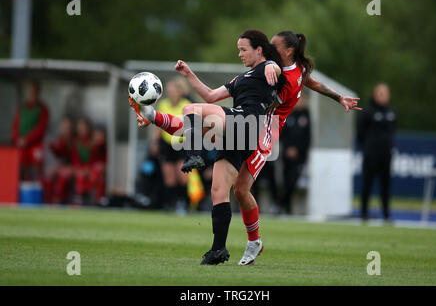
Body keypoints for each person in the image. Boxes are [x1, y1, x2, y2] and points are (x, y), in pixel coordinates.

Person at [130, 30, 362, 265]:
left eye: (274, 46)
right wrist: (189, 74)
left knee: (195, 119)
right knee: (229, 188)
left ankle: (189, 150)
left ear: (288, 50)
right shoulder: (255, 73)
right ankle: (227, 246)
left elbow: (303, 79)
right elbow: (212, 95)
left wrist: (337, 96)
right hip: (242, 125)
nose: (270, 49)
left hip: (262, 133)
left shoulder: (278, 69)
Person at [130, 29, 285, 265]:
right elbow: (212, 96)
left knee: (190, 110)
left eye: (243, 49)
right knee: (218, 191)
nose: (239, 54)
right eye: (238, 50)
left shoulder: (267, 67)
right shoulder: (242, 78)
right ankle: (218, 250)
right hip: (239, 134)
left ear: (259, 50)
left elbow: (275, 68)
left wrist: (274, 65)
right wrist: (189, 74)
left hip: (247, 123)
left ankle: (194, 155)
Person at [150, 77, 191, 212]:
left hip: (181, 143)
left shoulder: (186, 104)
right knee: (169, 178)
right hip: (166, 144)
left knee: (182, 176)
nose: (171, 92)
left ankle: (183, 204)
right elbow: (159, 126)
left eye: (173, 90)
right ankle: (169, 204)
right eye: (169, 90)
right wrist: (155, 142)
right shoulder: (163, 104)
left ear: (180, 91)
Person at [357, 83, 396, 221]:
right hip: (371, 155)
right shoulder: (368, 112)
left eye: (385, 93)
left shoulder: (391, 112)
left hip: (386, 154)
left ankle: (386, 214)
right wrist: (367, 148)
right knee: (367, 183)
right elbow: (360, 133)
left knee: (386, 185)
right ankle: (364, 213)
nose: (383, 96)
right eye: (380, 93)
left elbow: (393, 131)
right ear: (375, 94)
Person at [11, 81, 49, 181]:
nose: (32, 93)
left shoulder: (42, 109)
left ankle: (36, 190)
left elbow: (41, 128)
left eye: (34, 91)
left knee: (36, 169)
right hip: (21, 144)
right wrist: (17, 139)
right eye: (30, 91)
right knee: (20, 167)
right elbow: (15, 124)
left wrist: (27, 139)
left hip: (35, 145)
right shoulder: (22, 107)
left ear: (38, 92)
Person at [279, 96, 311, 214]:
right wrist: (288, 148)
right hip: (287, 155)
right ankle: (286, 208)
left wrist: (298, 150)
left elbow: (307, 137)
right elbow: (282, 134)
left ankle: (283, 204)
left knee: (293, 181)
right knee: (286, 181)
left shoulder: (306, 116)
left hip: (299, 156)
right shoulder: (288, 114)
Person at [42, 117, 74, 204]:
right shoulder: (61, 139)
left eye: (67, 127)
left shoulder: (74, 140)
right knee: (48, 175)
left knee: (62, 176)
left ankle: (60, 202)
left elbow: (74, 158)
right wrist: (52, 147)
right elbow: (60, 155)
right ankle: (48, 201)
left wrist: (67, 167)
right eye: (64, 127)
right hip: (63, 166)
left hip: (73, 167)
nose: (65, 129)